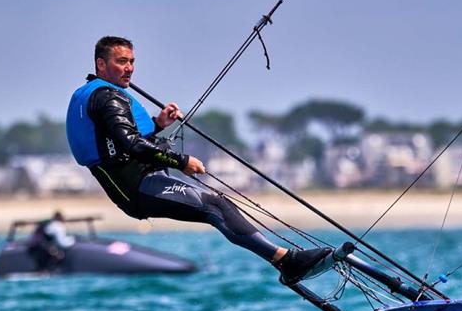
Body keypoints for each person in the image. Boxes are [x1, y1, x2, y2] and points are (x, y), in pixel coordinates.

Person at [65, 35, 331, 284]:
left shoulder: (96, 94)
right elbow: (131, 144)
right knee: (215, 207)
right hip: (138, 186)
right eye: (121, 61)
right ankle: (287, 261)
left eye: (132, 62)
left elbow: (115, 140)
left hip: (138, 184)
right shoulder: (108, 97)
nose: (129, 68)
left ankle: (285, 260)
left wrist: (158, 124)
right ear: (101, 64)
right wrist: (181, 161)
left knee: (217, 205)